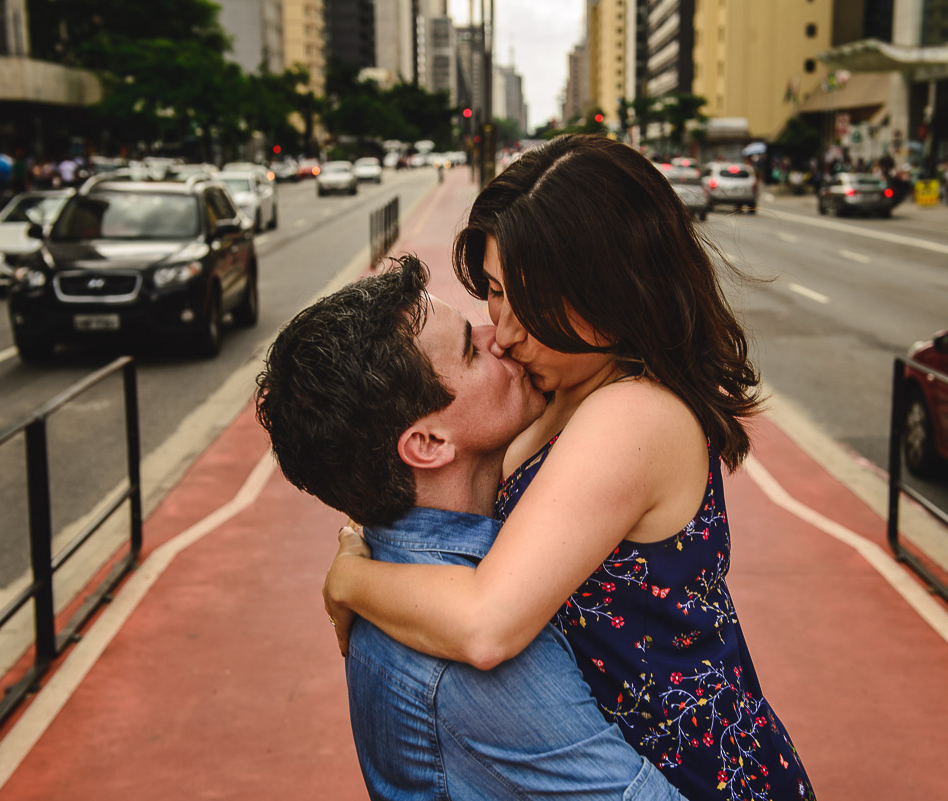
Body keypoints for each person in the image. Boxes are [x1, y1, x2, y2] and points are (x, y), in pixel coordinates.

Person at [324, 135, 816, 801]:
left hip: (700, 779)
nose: (503, 329)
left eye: (535, 301)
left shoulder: (633, 414)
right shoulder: (558, 387)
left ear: (615, 291)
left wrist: (352, 579)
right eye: (495, 292)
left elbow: (486, 624)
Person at [256, 257, 686, 801]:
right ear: (429, 444)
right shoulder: (465, 658)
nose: (500, 338)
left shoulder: (399, 567)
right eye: (469, 348)